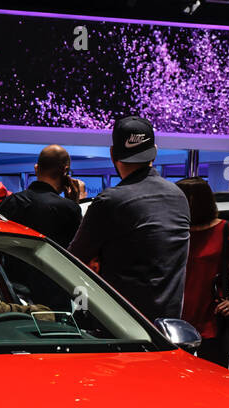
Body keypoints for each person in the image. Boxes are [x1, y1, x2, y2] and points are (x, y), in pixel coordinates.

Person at [68, 118, 190, 321]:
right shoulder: (178, 196)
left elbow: (75, 260)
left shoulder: (110, 201)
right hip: (169, 328)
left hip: (123, 328)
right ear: (155, 151)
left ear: (112, 153)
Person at [176, 177, 229, 368]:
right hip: (175, 323)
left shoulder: (228, 230)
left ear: (195, 200)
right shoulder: (176, 230)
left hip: (212, 323)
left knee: (211, 384)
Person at [0, 145, 82, 246]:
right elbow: (78, 249)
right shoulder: (69, 209)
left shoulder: (9, 202)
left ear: (36, 168)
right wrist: (74, 203)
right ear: (65, 171)